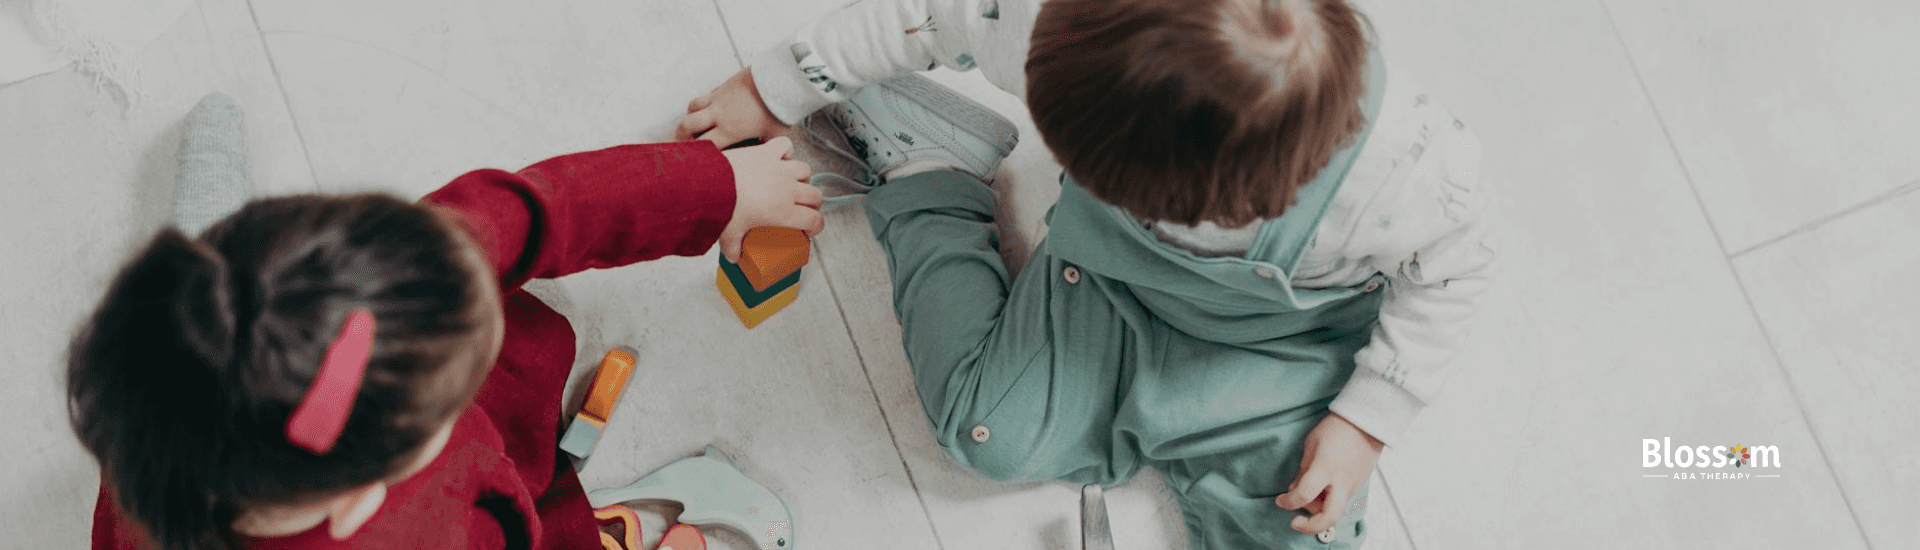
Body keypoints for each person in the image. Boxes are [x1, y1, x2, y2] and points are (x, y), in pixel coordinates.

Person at [676, 0, 1494, 547]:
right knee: (983, 430)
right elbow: (918, 14)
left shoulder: (1406, 170)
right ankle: (930, 163)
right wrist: (773, 86)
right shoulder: (1047, 17)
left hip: (1277, 353)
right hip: (1105, 283)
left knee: (1309, 518)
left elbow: (1450, 276)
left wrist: (1367, 420)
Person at [69, 93, 824, 549]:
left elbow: (537, 210)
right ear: (362, 494)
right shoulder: (411, 531)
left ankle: (205, 218)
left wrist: (718, 187)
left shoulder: (359, 283)